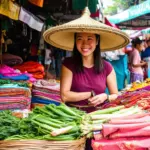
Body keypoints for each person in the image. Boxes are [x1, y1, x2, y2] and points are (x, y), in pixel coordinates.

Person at [43, 7, 129, 150]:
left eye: (89, 38)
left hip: (97, 121)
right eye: (80, 39)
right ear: (75, 42)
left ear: (97, 41)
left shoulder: (107, 67)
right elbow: (64, 96)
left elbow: (116, 95)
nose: (84, 44)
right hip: (71, 121)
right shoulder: (68, 64)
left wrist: (105, 97)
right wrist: (91, 94)